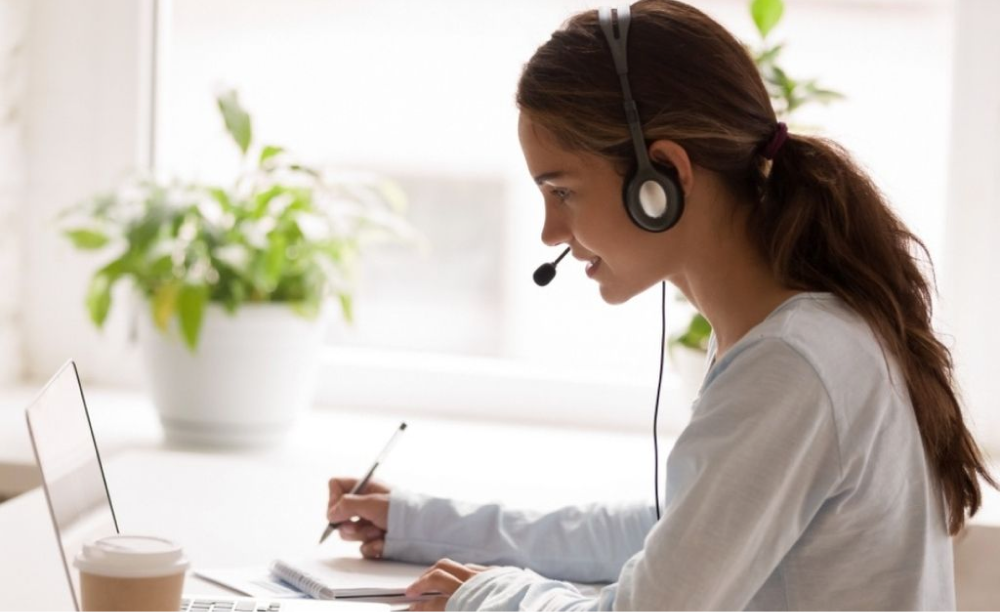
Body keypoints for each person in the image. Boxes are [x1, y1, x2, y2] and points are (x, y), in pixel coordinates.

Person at [326, 1, 995, 611]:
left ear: (663, 180)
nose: (550, 234)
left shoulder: (793, 364)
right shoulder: (792, 334)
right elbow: (676, 527)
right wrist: (429, 523)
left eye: (562, 192)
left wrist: (487, 596)